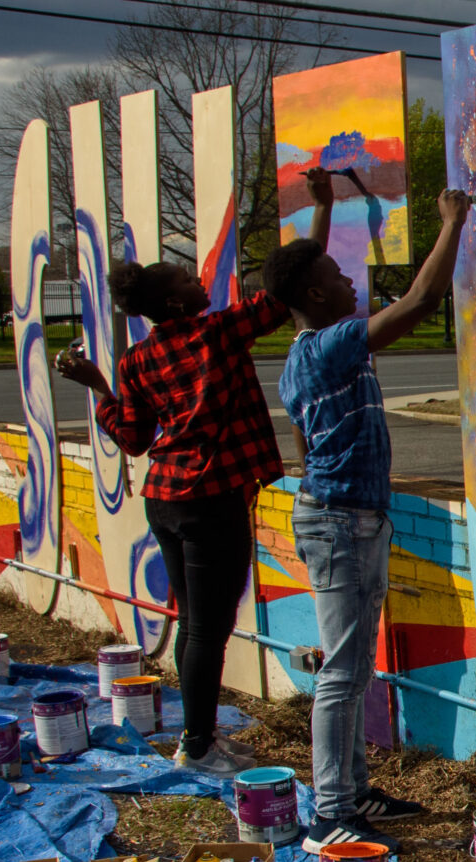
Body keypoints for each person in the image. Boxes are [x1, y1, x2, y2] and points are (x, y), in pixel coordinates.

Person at [55, 177, 325, 777]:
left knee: (193, 624)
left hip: (167, 500)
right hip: (208, 501)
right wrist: (323, 210)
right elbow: (286, 289)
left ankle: (196, 737)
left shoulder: (138, 358)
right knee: (209, 628)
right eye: (186, 280)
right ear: (176, 304)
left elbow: (132, 438)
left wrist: (100, 388)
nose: (197, 281)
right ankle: (198, 746)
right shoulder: (216, 333)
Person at [274, 176, 471, 849]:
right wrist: (452, 219)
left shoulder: (304, 354)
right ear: (313, 296)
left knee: (353, 667)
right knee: (343, 671)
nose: (348, 279)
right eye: (336, 274)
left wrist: (325, 210)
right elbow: (421, 300)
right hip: (340, 522)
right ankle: (331, 813)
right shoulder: (328, 348)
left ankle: (351, 794)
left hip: (344, 516)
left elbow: (303, 443)